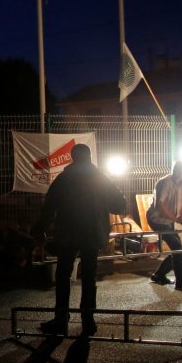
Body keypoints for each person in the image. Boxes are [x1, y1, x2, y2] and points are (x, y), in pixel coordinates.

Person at [30, 144, 126, 336]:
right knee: (89, 277)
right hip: (93, 234)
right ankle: (88, 321)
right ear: (89, 158)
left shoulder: (64, 179)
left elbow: (49, 207)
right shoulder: (101, 179)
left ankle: (61, 320)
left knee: (63, 276)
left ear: (73, 158)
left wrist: (39, 229)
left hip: (68, 234)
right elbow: (120, 205)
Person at [146, 161, 182, 291]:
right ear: (173, 170)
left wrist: (181, 215)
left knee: (178, 248)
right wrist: (175, 218)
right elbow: (160, 205)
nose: (176, 172)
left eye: (180, 170)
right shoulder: (164, 182)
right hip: (156, 219)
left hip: (168, 220)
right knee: (177, 248)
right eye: (175, 169)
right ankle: (181, 282)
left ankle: (158, 274)